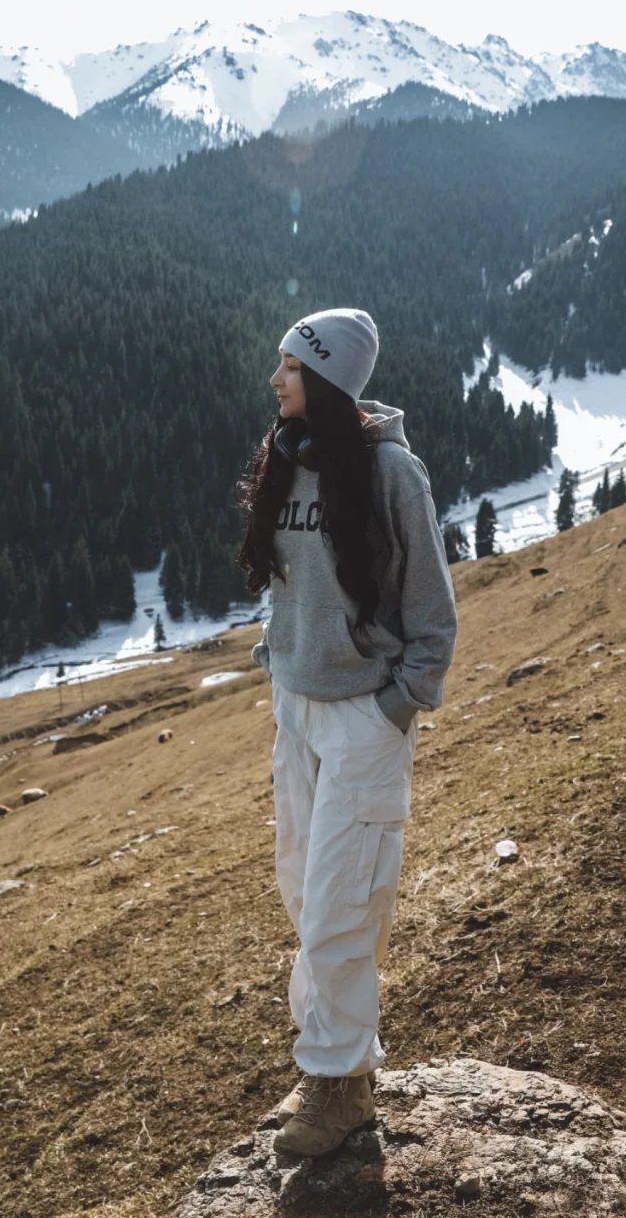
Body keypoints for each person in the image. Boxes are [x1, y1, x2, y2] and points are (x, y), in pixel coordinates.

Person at [236, 306, 458, 1157]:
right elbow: (291, 586)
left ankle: (334, 1085)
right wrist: (277, 658)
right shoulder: (288, 458)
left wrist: (398, 702)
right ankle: (340, 1067)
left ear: (326, 378)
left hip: (365, 716)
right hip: (296, 709)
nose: (275, 380)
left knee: (340, 905)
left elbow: (433, 613)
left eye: (289, 367)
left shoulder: (393, 473)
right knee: (303, 890)